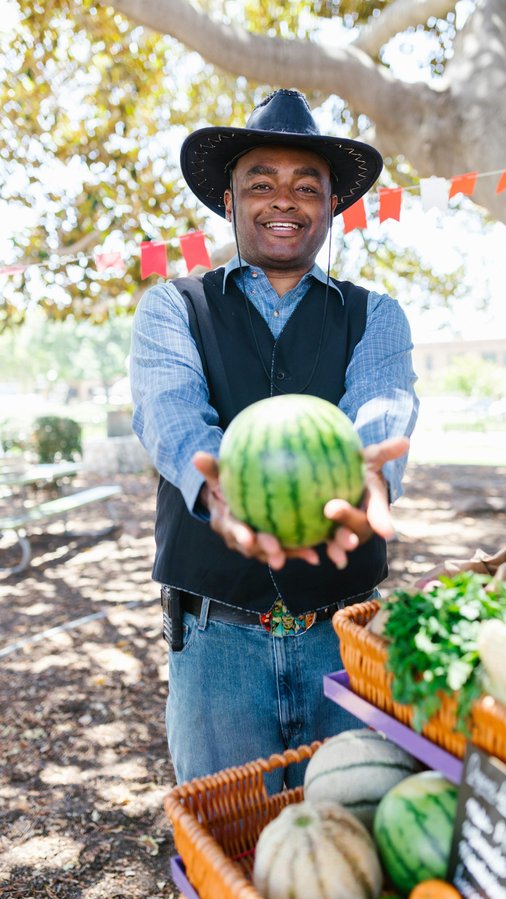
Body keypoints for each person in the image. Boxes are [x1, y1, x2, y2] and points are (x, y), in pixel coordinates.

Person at [130, 88, 419, 788]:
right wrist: (218, 487)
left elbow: (381, 407)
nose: (283, 200)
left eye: (306, 187)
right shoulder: (173, 306)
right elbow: (170, 414)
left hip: (345, 639)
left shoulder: (376, 315)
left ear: (332, 207)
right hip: (216, 645)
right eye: (261, 183)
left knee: (349, 832)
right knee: (230, 840)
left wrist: (370, 481)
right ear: (229, 202)